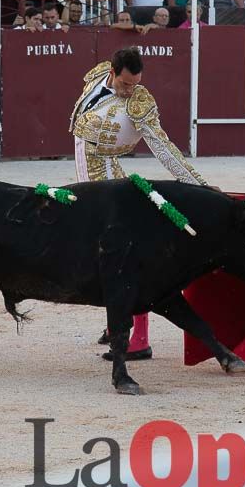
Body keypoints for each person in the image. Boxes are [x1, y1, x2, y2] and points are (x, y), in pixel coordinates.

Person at [71, 48, 208, 362]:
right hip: (89, 170)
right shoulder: (97, 73)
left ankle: (138, 340)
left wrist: (198, 187)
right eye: (125, 84)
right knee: (101, 252)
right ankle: (114, 321)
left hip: (104, 175)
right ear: (113, 71)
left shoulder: (140, 102)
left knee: (116, 254)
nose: (130, 90)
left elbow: (163, 147)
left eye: (135, 84)